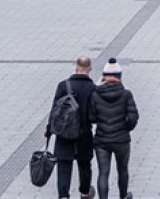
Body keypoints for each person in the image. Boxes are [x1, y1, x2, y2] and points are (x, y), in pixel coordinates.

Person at [45, 56, 97, 199]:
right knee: (85, 164)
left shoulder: (63, 86)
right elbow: (95, 114)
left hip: (64, 133)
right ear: (90, 69)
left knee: (63, 167)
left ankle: (63, 195)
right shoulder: (93, 88)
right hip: (84, 132)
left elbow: (54, 110)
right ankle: (85, 192)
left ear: (76, 67)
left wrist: (49, 131)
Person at [88, 58, 139, 199]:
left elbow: (91, 117)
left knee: (103, 172)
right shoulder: (126, 94)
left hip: (101, 140)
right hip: (121, 141)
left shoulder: (96, 94)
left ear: (104, 76)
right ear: (119, 77)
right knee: (122, 170)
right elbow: (133, 118)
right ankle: (123, 196)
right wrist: (126, 127)